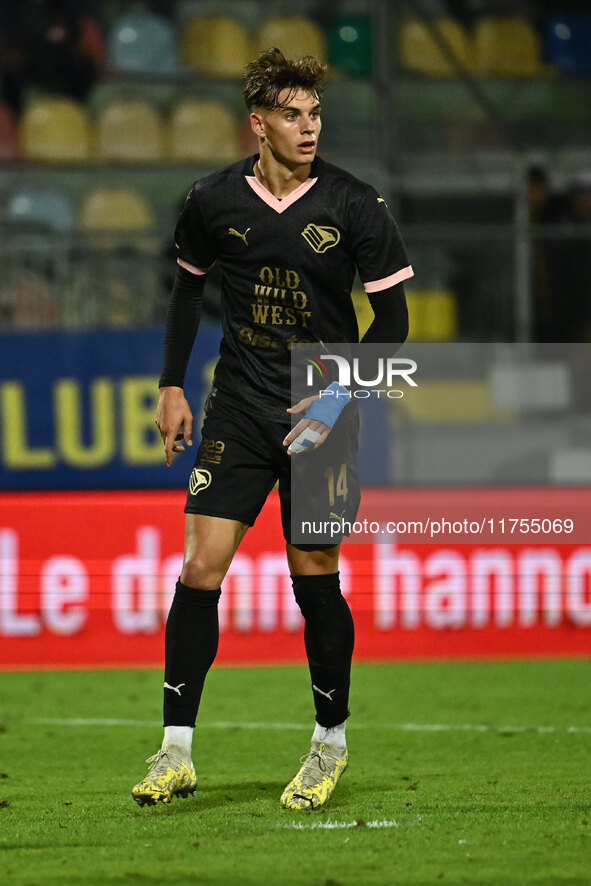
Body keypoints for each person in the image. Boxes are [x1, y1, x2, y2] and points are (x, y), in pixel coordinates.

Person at [131, 47, 412, 811]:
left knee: (313, 565)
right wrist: (170, 386)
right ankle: (175, 752)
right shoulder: (212, 199)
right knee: (199, 567)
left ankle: (329, 742)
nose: (308, 126)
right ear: (258, 123)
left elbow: (392, 320)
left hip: (324, 407)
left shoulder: (355, 204)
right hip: (240, 405)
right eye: (292, 114)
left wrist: (335, 395)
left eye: (315, 113)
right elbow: (186, 296)